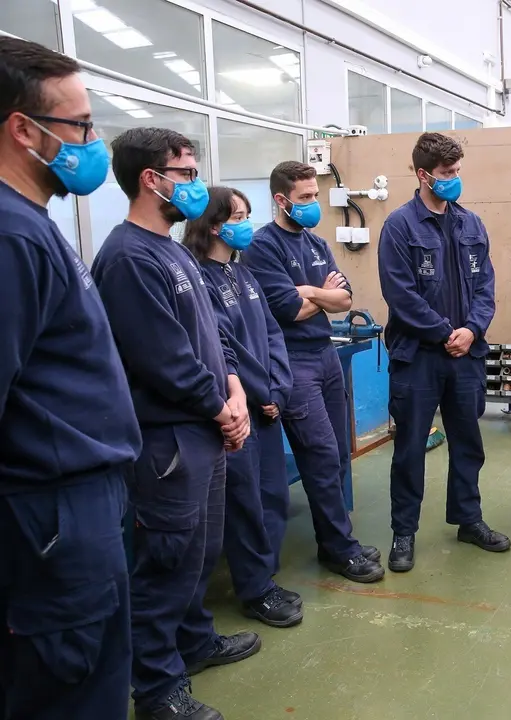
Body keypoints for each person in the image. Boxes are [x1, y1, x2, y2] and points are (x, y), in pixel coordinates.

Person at [92, 128, 258, 720]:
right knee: (166, 562)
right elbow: (163, 360)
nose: (195, 185)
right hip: (169, 439)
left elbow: (211, 338)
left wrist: (233, 389)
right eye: (186, 174)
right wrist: (222, 409)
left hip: (207, 427)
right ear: (151, 179)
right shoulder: (128, 257)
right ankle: (159, 690)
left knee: (200, 551)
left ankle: (195, 642)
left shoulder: (173, 248)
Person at [0, 37, 142, 720]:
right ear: (24, 131)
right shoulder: (10, 237)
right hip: (49, 518)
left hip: (79, 504)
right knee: (73, 693)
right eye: (81, 125)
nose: (92, 141)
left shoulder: (32, 223)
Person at [244, 161, 384, 584]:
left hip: (325, 354)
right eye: (303, 198)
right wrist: (318, 295)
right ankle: (341, 550)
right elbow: (290, 309)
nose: (311, 205)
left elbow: (344, 300)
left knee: (340, 452)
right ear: (280, 200)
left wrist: (310, 291)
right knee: (320, 455)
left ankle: (332, 541)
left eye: (313, 197)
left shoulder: (318, 244)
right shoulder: (262, 248)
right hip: (293, 362)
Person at [378, 132, 508, 572]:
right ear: (423, 175)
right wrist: (444, 333)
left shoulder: (471, 225)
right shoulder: (400, 226)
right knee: (411, 447)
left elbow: (486, 288)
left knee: (468, 443)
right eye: (446, 174)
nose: (454, 180)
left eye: (457, 172)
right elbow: (401, 294)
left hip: (466, 355)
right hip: (419, 357)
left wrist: (471, 330)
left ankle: (468, 519)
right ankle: (404, 532)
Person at [183, 187, 302, 628]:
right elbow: (222, 348)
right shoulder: (200, 278)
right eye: (237, 216)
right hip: (240, 410)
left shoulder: (243, 274)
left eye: (249, 214)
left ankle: (264, 575)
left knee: (273, 494)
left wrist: (279, 387)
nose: (246, 224)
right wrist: (259, 393)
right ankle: (253, 588)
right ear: (214, 224)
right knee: (244, 501)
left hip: (268, 404)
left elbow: (273, 334)